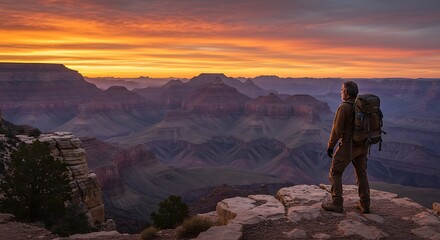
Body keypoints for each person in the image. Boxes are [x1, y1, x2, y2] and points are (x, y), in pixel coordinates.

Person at [321, 81, 370, 213]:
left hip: (348, 146)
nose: (341, 92)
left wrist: (330, 146)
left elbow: (337, 130)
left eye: (342, 90)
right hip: (363, 145)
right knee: (361, 173)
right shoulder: (362, 105)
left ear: (346, 92)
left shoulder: (344, 107)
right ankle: (365, 204)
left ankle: (337, 203)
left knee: (335, 172)